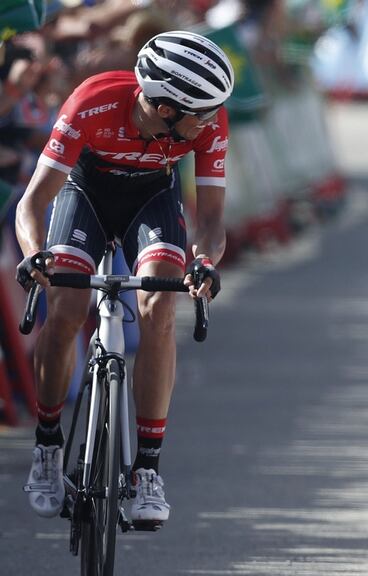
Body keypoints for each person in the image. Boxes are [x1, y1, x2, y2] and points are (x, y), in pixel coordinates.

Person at [18, 30, 233, 524]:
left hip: (152, 198)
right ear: (163, 107)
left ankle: (146, 470)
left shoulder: (206, 117)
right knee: (67, 307)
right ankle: (49, 446)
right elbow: (32, 203)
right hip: (86, 193)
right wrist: (35, 257)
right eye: (198, 114)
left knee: (160, 307)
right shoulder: (90, 103)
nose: (208, 123)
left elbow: (212, 220)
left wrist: (205, 261)